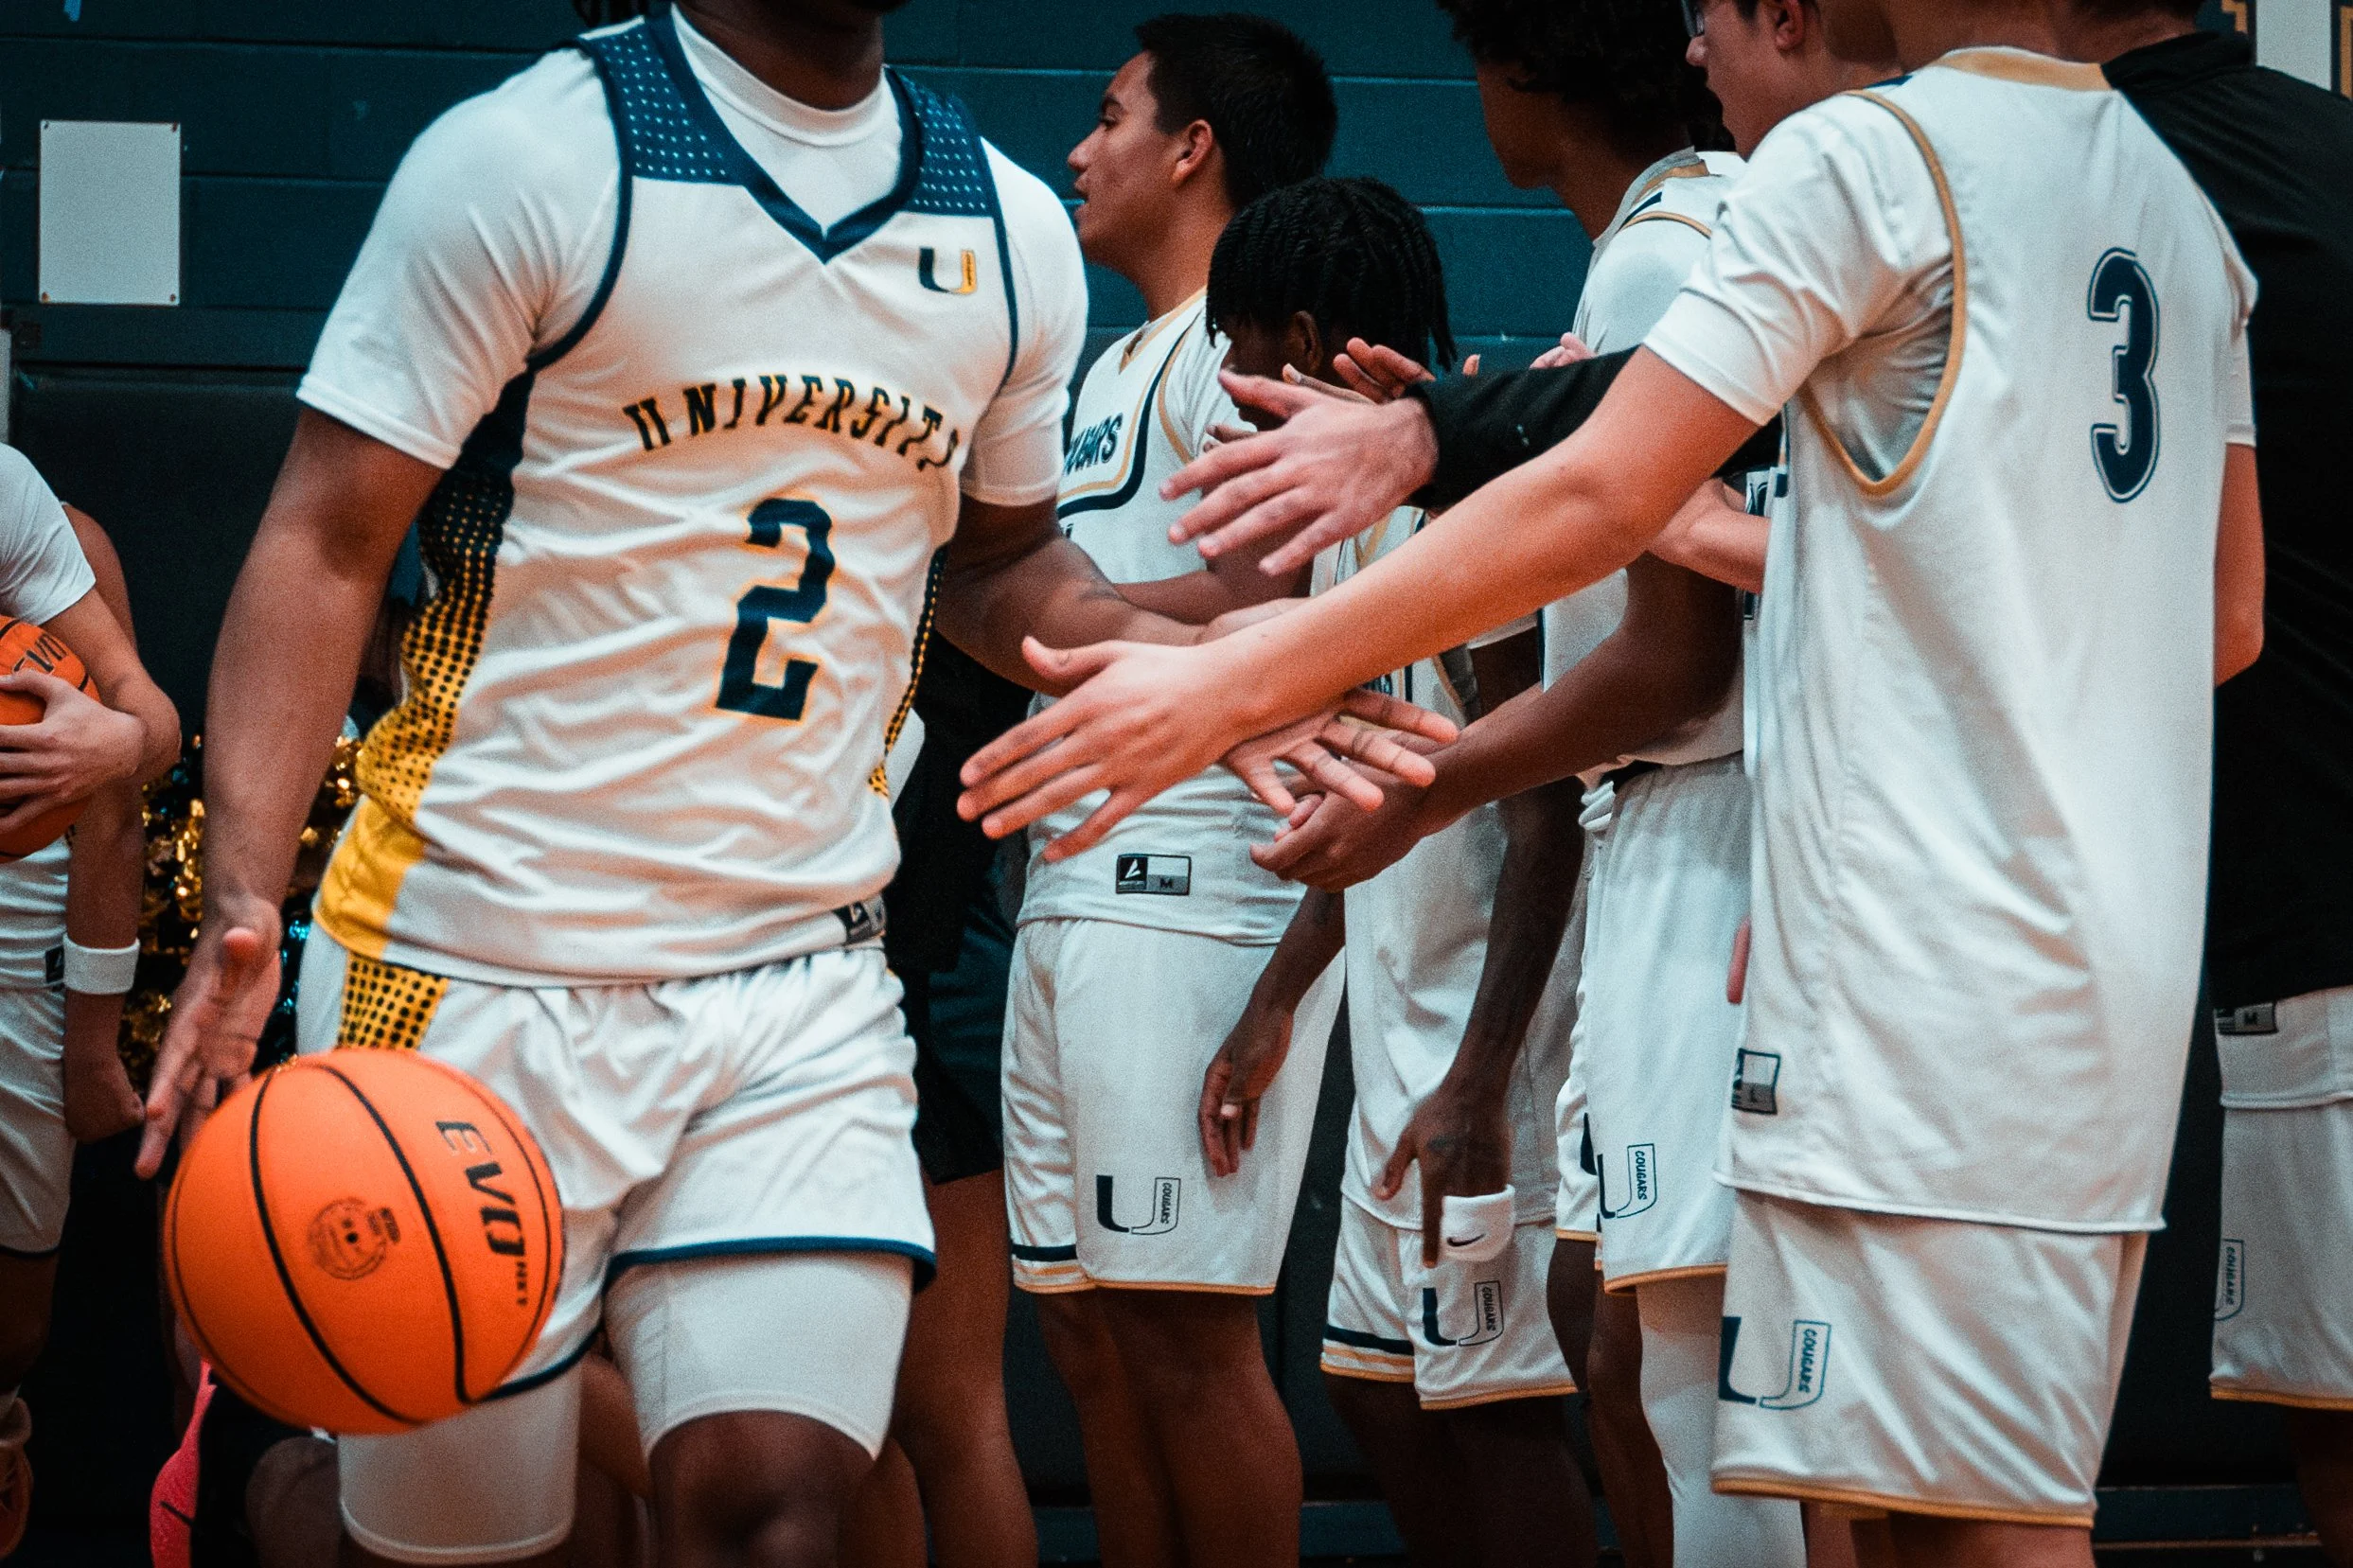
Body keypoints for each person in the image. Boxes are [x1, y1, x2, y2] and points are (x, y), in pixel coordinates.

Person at [958, 2, 2266, 1563]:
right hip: (2095, 964)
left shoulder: (1871, 155)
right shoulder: (2176, 205)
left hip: (1895, 940)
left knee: (1771, 1494)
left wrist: (1241, 669)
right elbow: (2221, 616)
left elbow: (1596, 488)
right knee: (1978, 1523)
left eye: (1716, 8)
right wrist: (1814, 558)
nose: (1695, 40)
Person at [133, 4, 1427, 1566]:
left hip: (795, 973)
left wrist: (1208, 689)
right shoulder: (531, 158)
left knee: (779, 1510)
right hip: (475, 948)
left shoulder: (1002, 229)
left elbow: (1003, 565)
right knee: (469, 1535)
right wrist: (248, 891)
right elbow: (324, 537)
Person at [1185, 174, 1596, 1568]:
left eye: (1238, 349)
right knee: (1376, 1395)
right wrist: (1277, 996)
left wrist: (1481, 1082)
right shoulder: (1361, 519)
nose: (1230, 383)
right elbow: (1381, 803)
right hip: (1403, 1018)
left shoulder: (1466, 501)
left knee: (1496, 1417)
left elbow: (1541, 826)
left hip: (1496, 1046)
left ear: (1300, 340)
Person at [999, 17, 1340, 1567]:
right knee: (1091, 1340)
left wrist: (1083, 625)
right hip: (1072, 874)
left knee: (1188, 1335)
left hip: (1199, 880)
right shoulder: (1114, 357)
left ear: (1192, 144)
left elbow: (1279, 609)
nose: (1083, 147)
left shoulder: (1245, 344)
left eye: (1112, 112)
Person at [2041, 3, 2353, 1562]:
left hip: (2308, 910)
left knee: (2341, 1432)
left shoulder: (2092, 174)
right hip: (2279, 904)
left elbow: (2217, 619)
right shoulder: (2319, 149)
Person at [0, 451, 177, 1554]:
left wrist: (91, 1045)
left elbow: (137, 750)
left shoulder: (27, 511)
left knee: (14, 1332)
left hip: (20, 979)